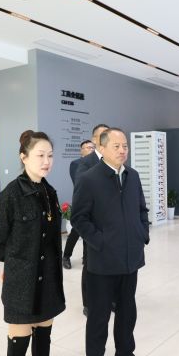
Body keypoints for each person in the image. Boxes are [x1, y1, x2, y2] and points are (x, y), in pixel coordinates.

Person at [72, 128, 151, 356]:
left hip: (130, 258)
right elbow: (79, 218)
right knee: (99, 316)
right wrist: (100, 242)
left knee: (128, 311)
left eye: (125, 146)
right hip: (103, 262)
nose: (122, 150)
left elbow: (141, 209)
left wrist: (142, 235)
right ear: (102, 148)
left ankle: (125, 355)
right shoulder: (89, 179)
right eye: (116, 146)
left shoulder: (132, 176)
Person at [0, 130, 65, 356]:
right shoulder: (11, 194)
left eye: (50, 155)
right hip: (22, 284)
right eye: (40, 155)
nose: (46, 161)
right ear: (24, 157)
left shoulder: (50, 192)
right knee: (19, 343)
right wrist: (17, 264)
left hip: (48, 280)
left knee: (43, 340)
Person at [71, 124, 109, 317]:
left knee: (111, 264)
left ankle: (110, 299)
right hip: (93, 226)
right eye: (102, 135)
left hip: (113, 227)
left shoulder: (115, 162)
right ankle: (88, 302)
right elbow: (81, 193)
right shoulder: (85, 163)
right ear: (94, 140)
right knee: (90, 265)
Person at [62, 139, 96, 270]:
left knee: (90, 229)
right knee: (76, 231)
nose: (91, 149)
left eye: (92, 147)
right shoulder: (76, 164)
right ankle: (66, 256)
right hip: (81, 202)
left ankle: (86, 257)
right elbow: (78, 182)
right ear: (81, 151)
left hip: (95, 203)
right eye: (88, 147)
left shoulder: (98, 163)